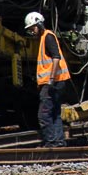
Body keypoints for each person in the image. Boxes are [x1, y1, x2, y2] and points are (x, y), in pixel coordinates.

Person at [26, 11, 68, 147]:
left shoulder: (48, 37)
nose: (32, 31)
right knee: (55, 113)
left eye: (32, 28)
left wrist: (51, 79)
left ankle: (51, 143)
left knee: (44, 115)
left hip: (53, 83)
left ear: (39, 24)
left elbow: (56, 57)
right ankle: (59, 142)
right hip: (58, 82)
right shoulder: (45, 37)